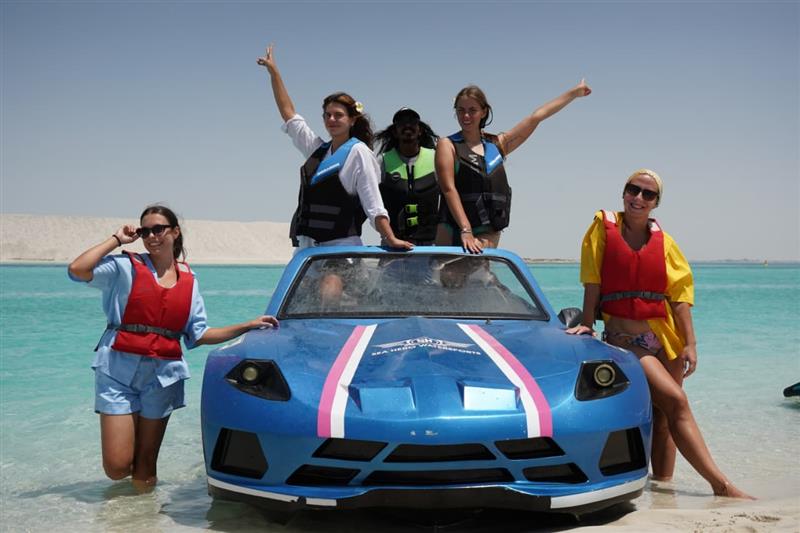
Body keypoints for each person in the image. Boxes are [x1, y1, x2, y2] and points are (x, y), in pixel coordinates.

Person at [566, 170, 753, 499]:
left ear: (656, 202)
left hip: (665, 340)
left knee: (665, 417)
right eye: (633, 190)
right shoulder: (602, 229)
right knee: (677, 401)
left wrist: (691, 344)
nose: (638, 198)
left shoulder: (665, 242)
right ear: (624, 193)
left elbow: (680, 298)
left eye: (648, 194)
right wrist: (589, 324)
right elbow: (592, 281)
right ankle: (721, 485)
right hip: (627, 341)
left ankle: (664, 490)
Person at [68, 205, 278, 491]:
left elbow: (200, 334)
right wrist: (116, 239)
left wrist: (247, 325)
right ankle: (123, 507)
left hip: (162, 378)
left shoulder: (190, 281)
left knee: (146, 463)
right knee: (117, 467)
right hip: (116, 372)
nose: (151, 236)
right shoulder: (123, 267)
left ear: (175, 232)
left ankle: (144, 512)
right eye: (144, 231)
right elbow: (77, 270)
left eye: (158, 229)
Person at [257, 45, 413, 252]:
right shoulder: (317, 151)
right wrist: (274, 73)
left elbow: (374, 204)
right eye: (327, 115)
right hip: (308, 252)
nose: (331, 119)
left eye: (338, 115)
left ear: (352, 120)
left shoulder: (359, 153)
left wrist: (390, 238)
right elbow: (289, 115)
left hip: (341, 250)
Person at [436, 82, 591, 253]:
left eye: (472, 110)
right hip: (452, 227)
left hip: (487, 230)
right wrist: (466, 230)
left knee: (477, 266)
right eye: (461, 110)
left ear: (483, 112)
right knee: (449, 269)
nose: (466, 115)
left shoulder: (498, 145)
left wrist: (573, 93)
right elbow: (448, 189)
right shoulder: (447, 145)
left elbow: (536, 117)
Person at [375, 108, 440, 245]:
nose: (407, 126)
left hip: (430, 245)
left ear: (420, 130)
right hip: (393, 245)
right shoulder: (382, 161)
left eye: (412, 122)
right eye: (401, 123)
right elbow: (371, 201)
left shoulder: (436, 158)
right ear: (395, 132)